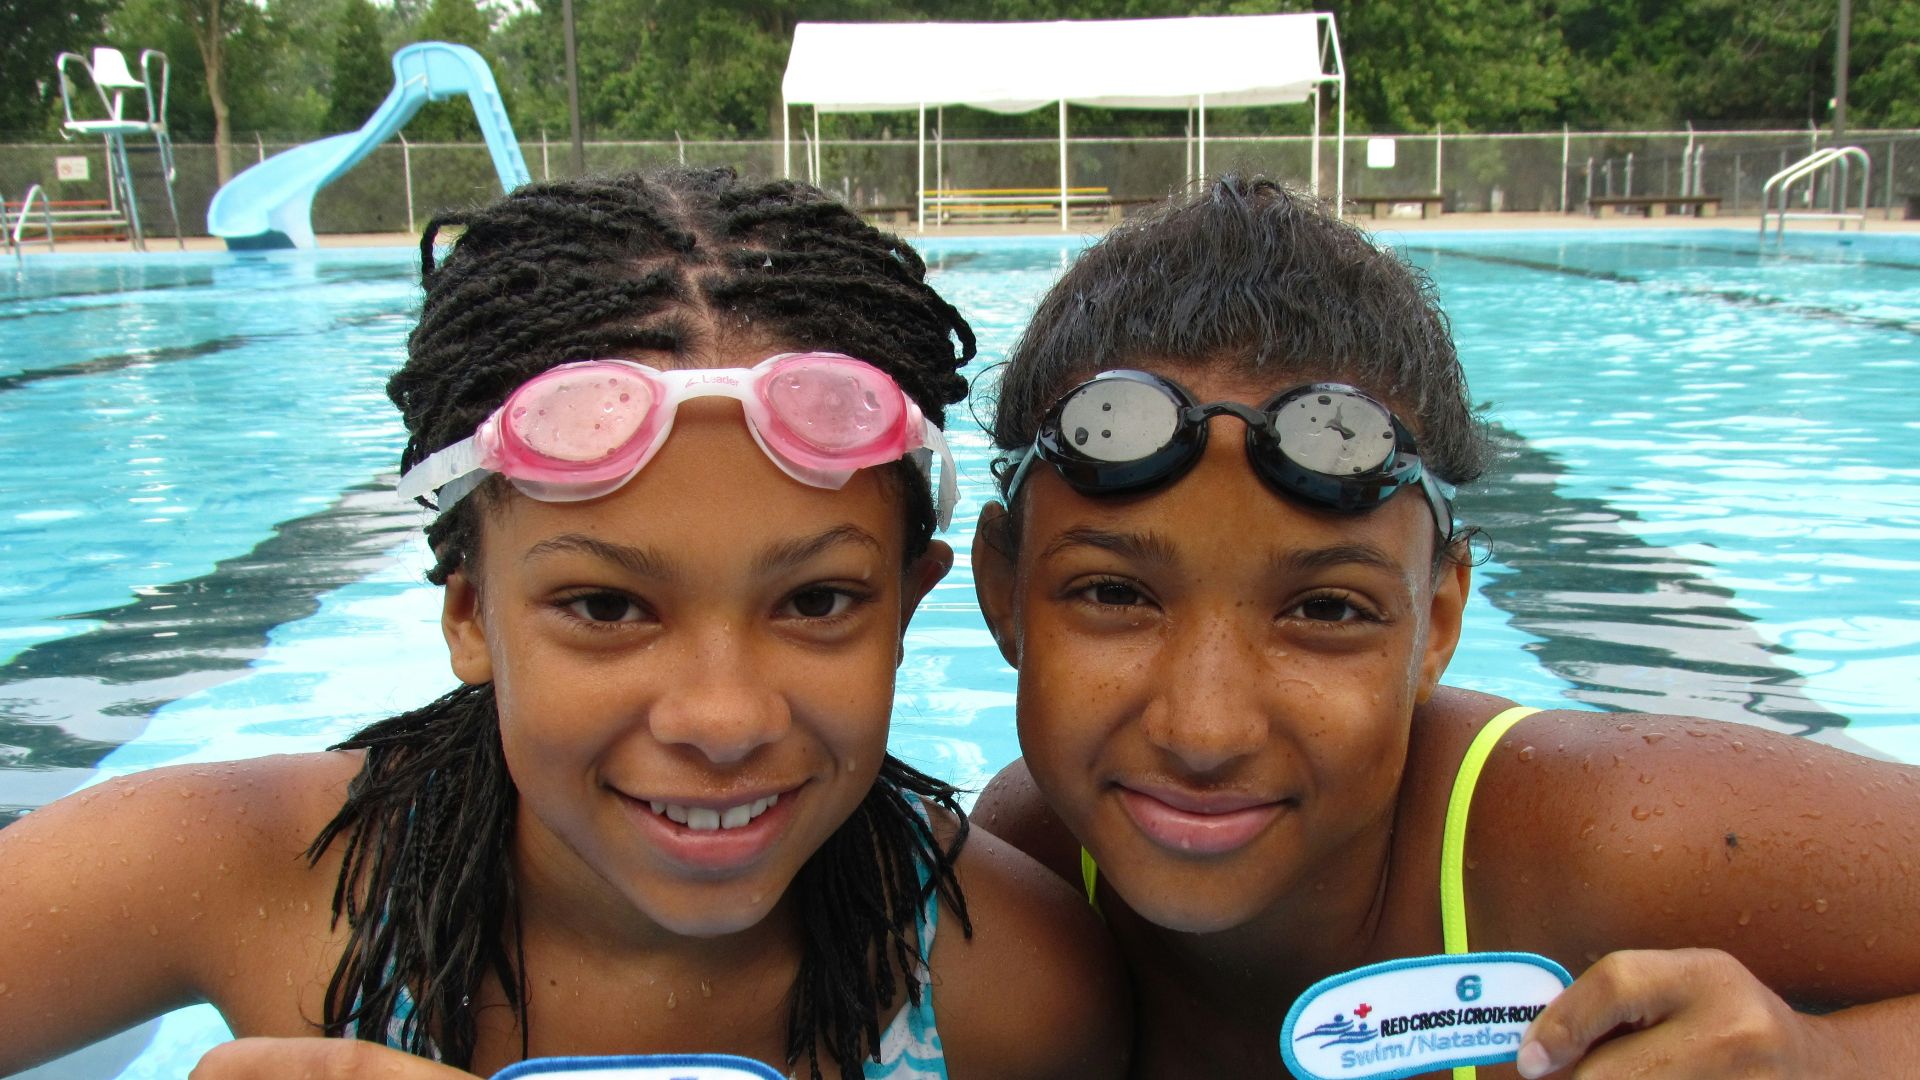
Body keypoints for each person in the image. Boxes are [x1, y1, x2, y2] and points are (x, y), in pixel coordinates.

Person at [0, 168, 1127, 1080]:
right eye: (605, 606)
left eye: (817, 601)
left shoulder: (1011, 988)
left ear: (907, 608)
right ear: (470, 614)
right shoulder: (251, 875)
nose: (721, 718)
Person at [970, 175, 1920, 1078]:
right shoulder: (1033, 865)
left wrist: (1834, 1060)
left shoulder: (1599, 837)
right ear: (1002, 592)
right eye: (1114, 594)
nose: (1204, 732)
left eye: (1327, 609)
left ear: (1437, 622)